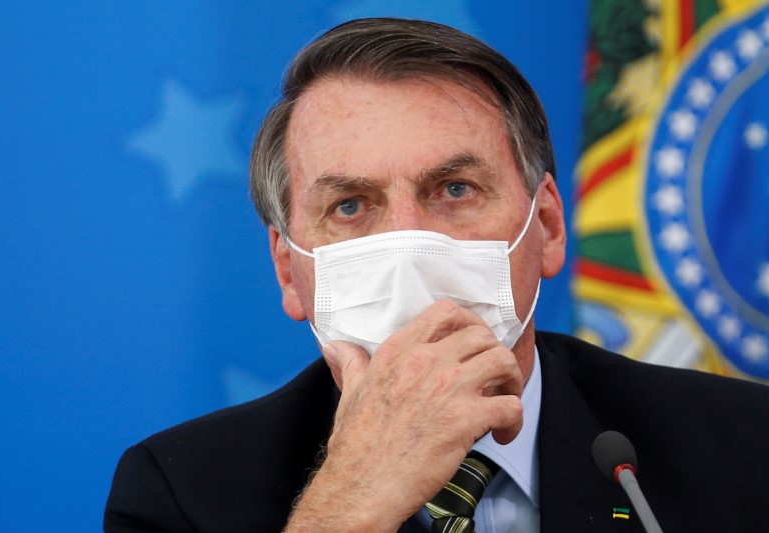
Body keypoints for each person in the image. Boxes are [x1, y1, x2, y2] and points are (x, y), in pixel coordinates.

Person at [104, 18, 769, 532]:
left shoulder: (744, 449)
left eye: (454, 189)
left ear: (547, 227)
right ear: (288, 268)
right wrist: (351, 502)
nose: (408, 243)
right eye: (351, 205)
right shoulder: (181, 493)